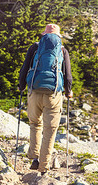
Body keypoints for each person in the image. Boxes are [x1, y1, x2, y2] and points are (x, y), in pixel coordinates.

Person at [18, 23, 73, 175]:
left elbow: (24, 69)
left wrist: (21, 86)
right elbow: (68, 76)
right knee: (50, 130)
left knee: (35, 124)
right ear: (58, 36)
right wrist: (68, 92)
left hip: (34, 92)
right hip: (53, 95)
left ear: (44, 35)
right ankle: (44, 167)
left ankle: (34, 157)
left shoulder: (35, 48)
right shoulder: (62, 50)